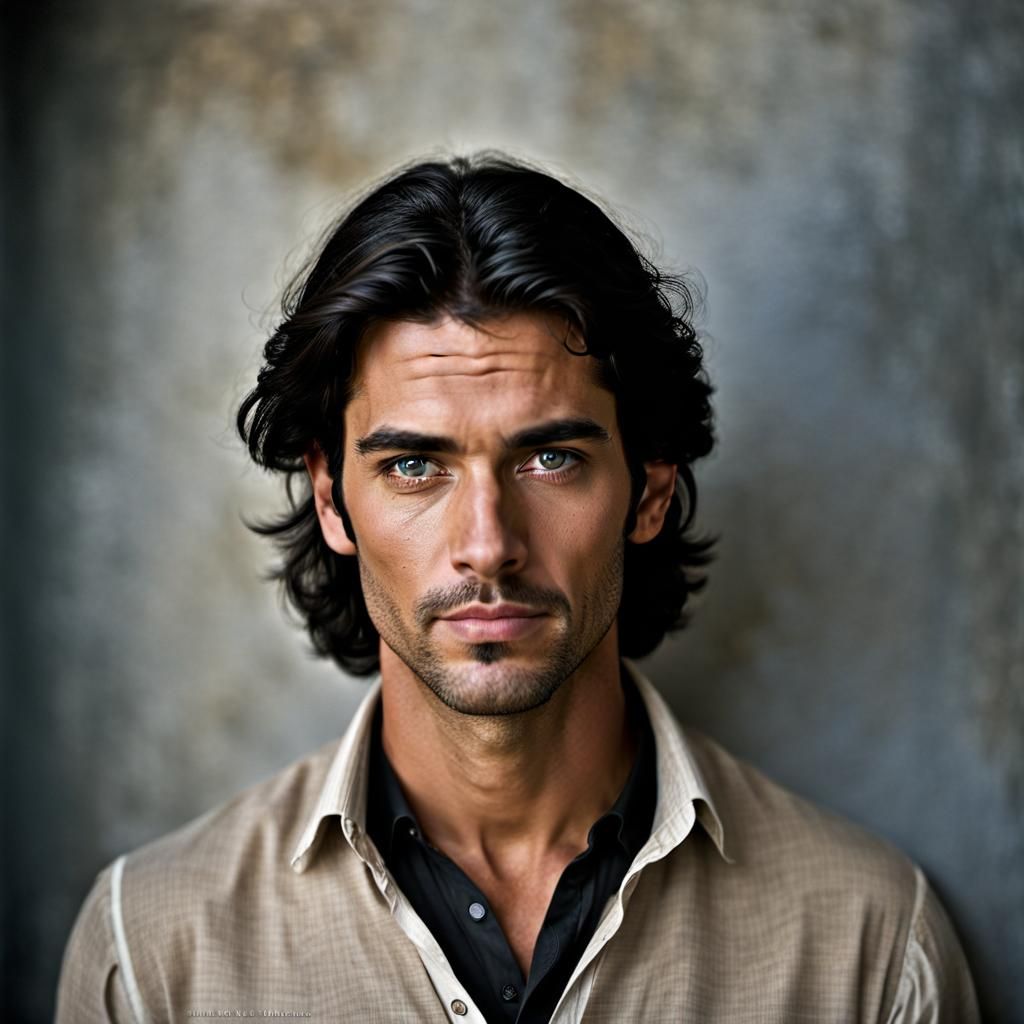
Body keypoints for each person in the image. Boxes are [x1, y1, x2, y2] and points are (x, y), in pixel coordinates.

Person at [56, 153, 979, 1023]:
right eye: (416, 466)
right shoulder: (153, 954)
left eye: (549, 457)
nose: (488, 545)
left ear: (650, 489)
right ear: (333, 501)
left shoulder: (868, 946)